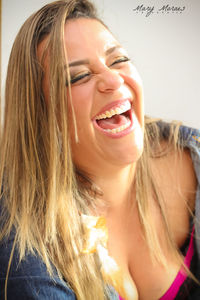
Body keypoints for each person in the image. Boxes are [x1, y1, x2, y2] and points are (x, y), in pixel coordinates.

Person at [0, 0, 200, 299]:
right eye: (78, 76)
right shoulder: (25, 246)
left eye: (118, 59)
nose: (113, 79)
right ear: (40, 117)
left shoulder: (191, 156)